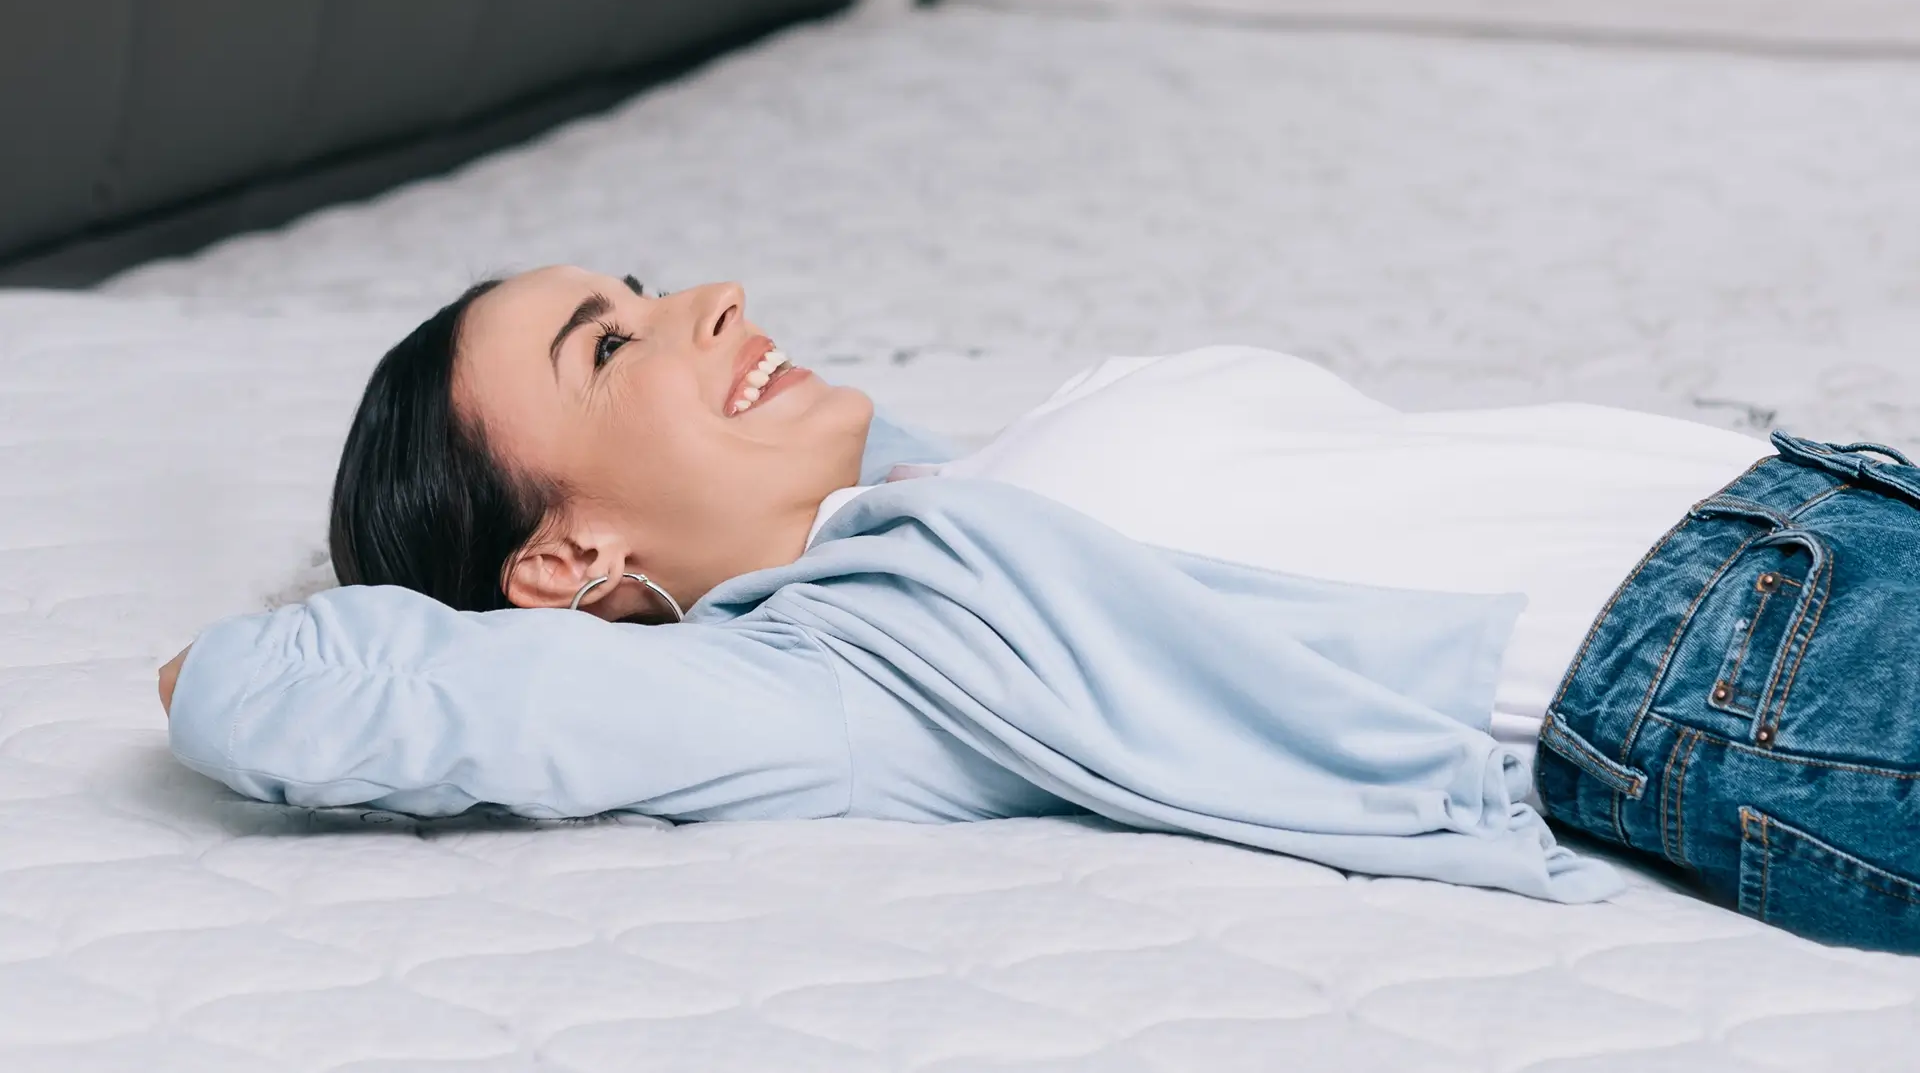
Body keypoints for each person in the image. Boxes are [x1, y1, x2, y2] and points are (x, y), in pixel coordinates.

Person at [159, 269, 1920, 953]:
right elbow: (304, 702)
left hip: (1838, 513)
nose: (710, 298)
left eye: (643, 280)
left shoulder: (951, 483)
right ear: (561, 567)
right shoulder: (855, 671)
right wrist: (241, 650)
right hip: (1763, 674)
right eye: (608, 345)